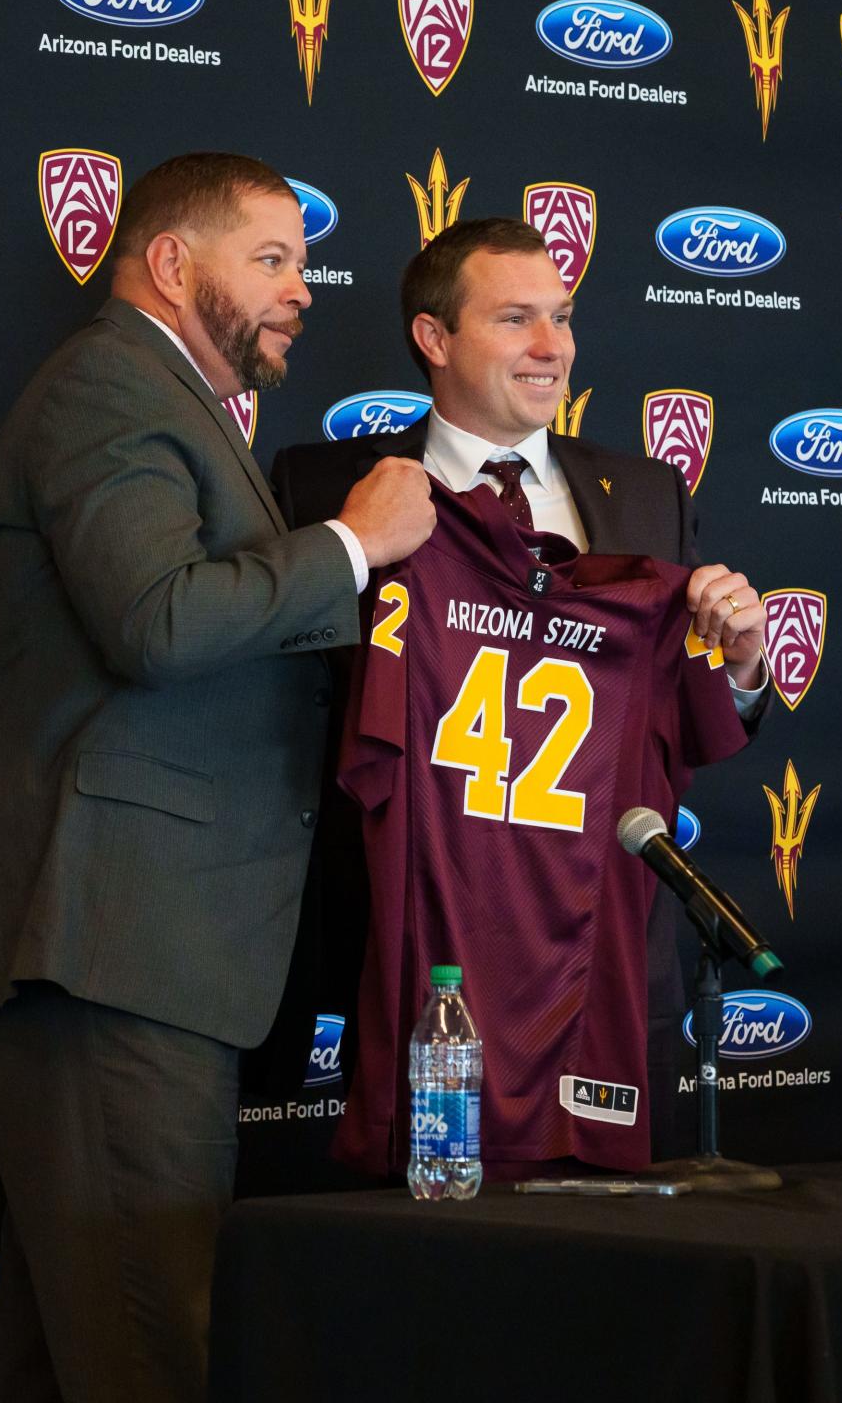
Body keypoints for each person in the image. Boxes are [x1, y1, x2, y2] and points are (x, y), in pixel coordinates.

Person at [0, 153, 434, 1403]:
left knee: (84, 1354)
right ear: (169, 261)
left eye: (302, 265)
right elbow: (154, 620)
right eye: (271, 258)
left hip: (138, 953)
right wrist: (352, 543)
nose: (302, 291)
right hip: (107, 949)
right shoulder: (114, 385)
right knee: (156, 1352)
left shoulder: (176, 404)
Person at [271, 216, 768, 1173]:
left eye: (563, 318)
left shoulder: (646, 494)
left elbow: (701, 716)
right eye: (515, 320)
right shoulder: (327, 485)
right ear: (434, 338)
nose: (553, 349)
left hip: (595, 962)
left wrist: (741, 660)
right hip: (395, 953)